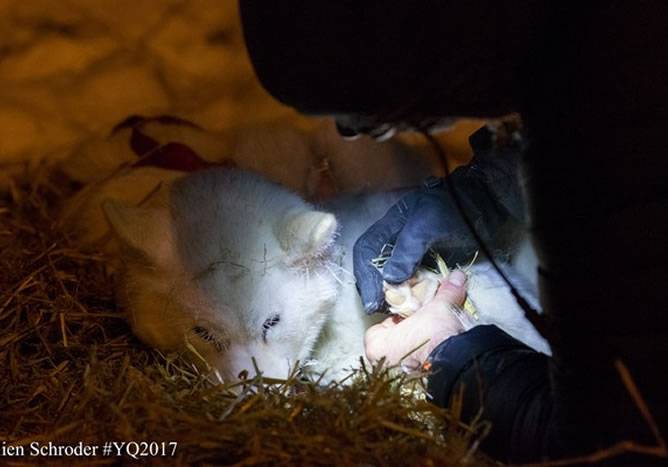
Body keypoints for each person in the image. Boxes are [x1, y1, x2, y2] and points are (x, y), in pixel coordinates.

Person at [238, 2, 668, 464]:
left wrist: (453, 354)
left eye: (362, 98)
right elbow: (572, 84)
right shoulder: (597, 40)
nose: (349, 131)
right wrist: (486, 190)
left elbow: (622, 445)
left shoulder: (636, 79)